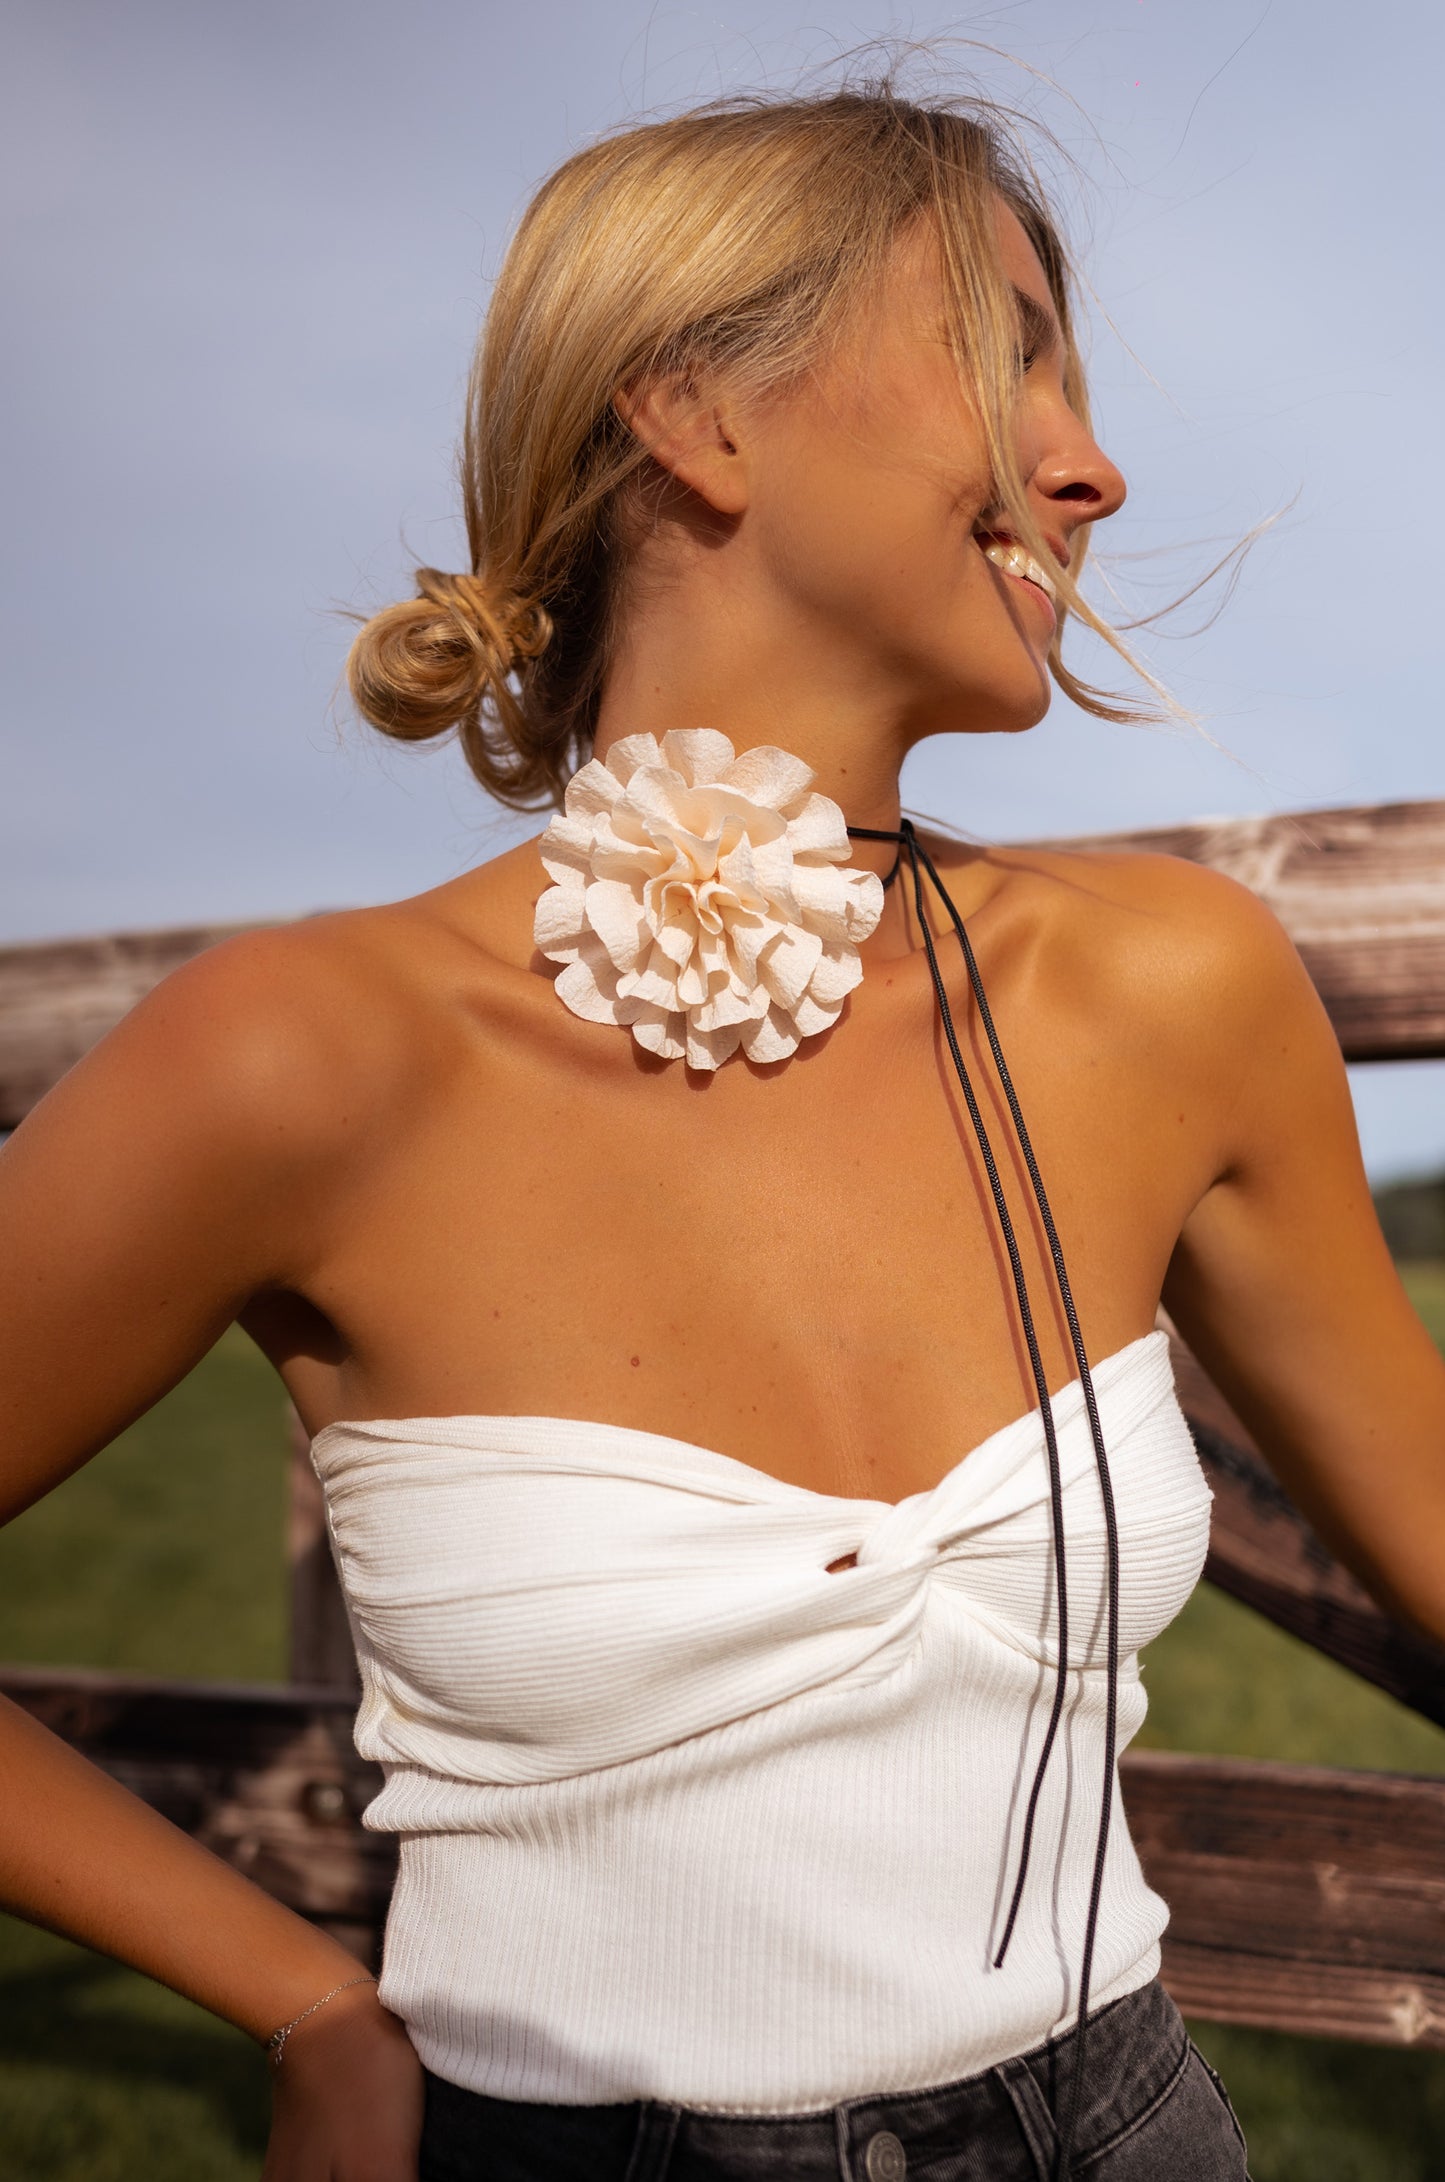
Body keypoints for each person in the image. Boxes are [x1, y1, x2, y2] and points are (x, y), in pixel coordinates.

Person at [2, 77, 1442, 2182]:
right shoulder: (296, 1058)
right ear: (694, 410)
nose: (1092, 464)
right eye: (1007, 354)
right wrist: (307, 2003)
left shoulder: (1174, 991)